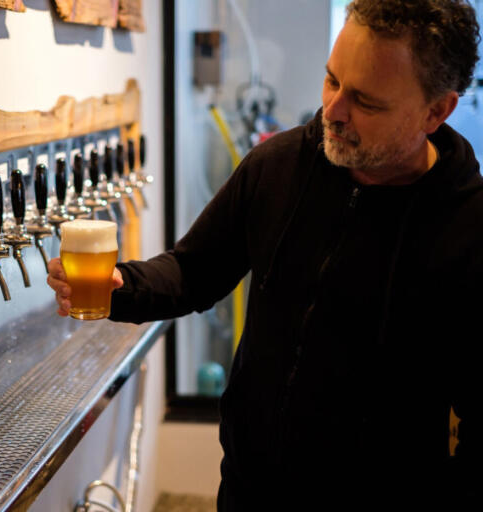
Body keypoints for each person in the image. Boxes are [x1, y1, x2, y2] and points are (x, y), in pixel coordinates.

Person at [48, 0, 482, 509]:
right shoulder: (278, 165)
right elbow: (194, 270)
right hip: (249, 490)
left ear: (436, 111)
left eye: (365, 101)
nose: (333, 110)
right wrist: (126, 285)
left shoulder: (468, 226)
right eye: (332, 80)